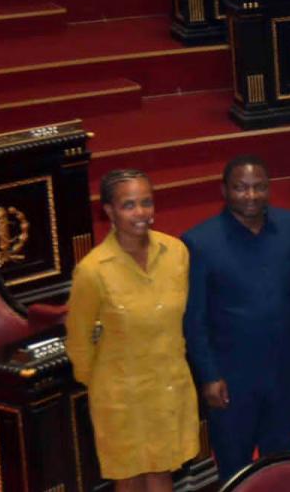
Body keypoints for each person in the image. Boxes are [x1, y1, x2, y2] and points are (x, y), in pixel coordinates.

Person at [182, 157, 290, 481]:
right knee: (235, 469)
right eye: (241, 188)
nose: (251, 195)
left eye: (259, 187)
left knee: (283, 463)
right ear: (224, 191)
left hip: (285, 373)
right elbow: (194, 319)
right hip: (231, 380)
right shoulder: (199, 242)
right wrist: (208, 375)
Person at [66, 170, 200, 492]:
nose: (141, 213)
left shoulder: (176, 253)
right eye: (129, 205)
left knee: (162, 474)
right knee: (128, 478)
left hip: (169, 386)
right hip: (121, 397)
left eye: (146, 203)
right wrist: (102, 383)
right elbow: (78, 341)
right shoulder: (93, 270)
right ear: (109, 212)